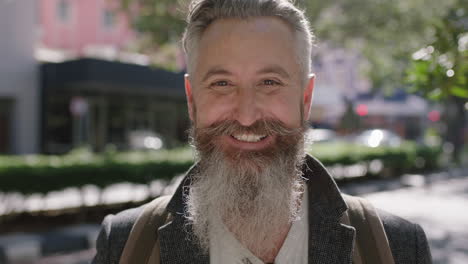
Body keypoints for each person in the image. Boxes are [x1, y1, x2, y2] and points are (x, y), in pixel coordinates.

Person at [92, 0, 432, 263]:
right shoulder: (127, 246)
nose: (246, 115)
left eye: (269, 83)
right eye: (222, 83)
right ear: (192, 101)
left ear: (305, 98)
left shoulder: (393, 247)